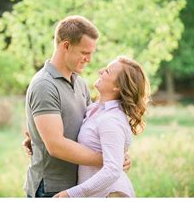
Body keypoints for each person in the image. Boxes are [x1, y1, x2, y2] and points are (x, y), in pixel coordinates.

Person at [23, 15, 131, 198]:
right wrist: (110, 160)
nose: (89, 59)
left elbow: (91, 127)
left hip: (79, 186)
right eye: (84, 52)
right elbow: (56, 145)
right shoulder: (44, 85)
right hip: (51, 188)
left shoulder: (80, 83)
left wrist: (115, 154)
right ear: (66, 46)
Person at [53, 56, 150, 197]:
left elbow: (112, 170)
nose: (100, 71)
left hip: (111, 194)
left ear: (117, 87)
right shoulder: (95, 109)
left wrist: (70, 194)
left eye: (107, 71)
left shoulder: (111, 119)